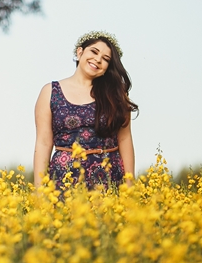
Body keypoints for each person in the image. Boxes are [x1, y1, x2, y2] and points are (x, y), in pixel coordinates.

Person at [33, 31, 138, 190]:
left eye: (105, 59)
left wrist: (130, 187)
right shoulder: (50, 92)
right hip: (64, 180)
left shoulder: (115, 95)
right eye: (94, 52)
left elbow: (124, 139)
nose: (98, 59)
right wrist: (40, 190)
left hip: (109, 180)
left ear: (107, 68)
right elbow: (43, 142)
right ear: (80, 52)